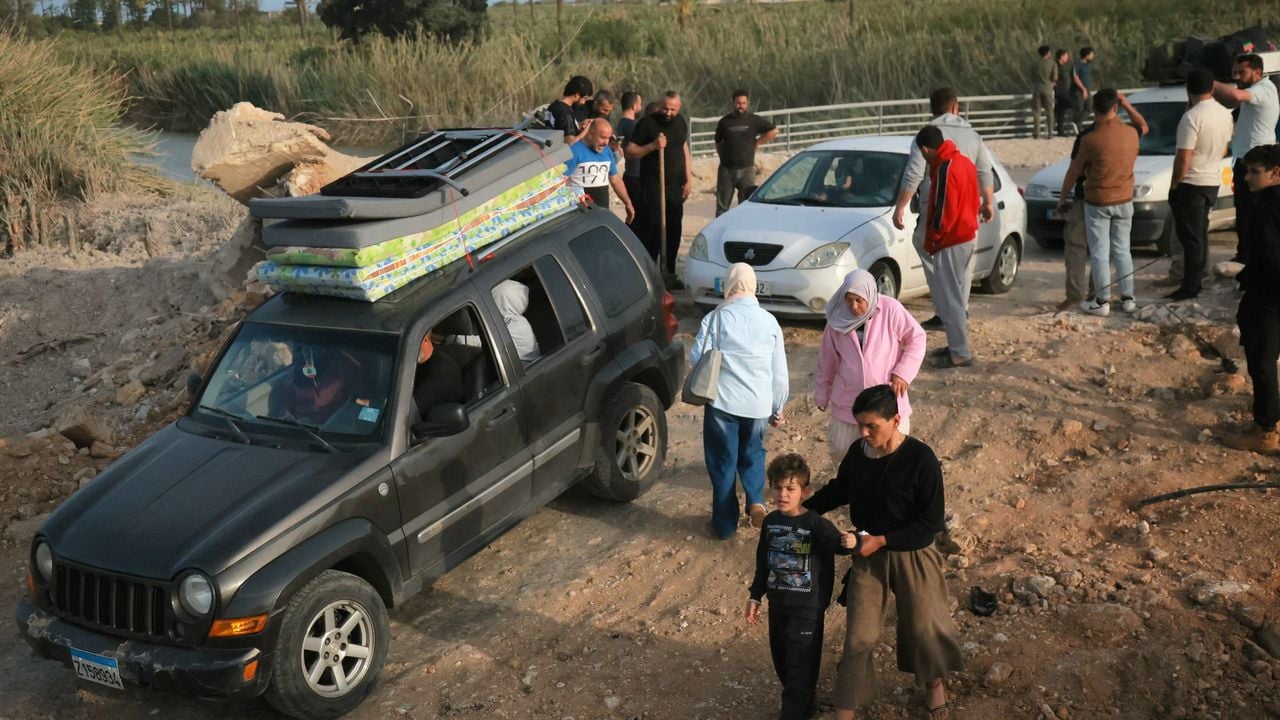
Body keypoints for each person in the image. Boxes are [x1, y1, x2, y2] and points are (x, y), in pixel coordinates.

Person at [804, 385, 963, 720]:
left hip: (914, 554)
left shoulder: (921, 459)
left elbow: (930, 523)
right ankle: (844, 711)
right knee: (858, 638)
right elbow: (841, 489)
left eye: (871, 426)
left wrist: (884, 539)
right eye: (859, 425)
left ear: (896, 419)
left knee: (924, 627)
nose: (863, 433)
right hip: (867, 555)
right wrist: (803, 510)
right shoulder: (859, 453)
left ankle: (934, 689)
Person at [746, 454, 852, 720]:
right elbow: (763, 562)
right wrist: (755, 596)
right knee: (783, 664)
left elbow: (839, 546)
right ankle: (806, 706)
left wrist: (852, 541)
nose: (783, 494)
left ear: (805, 492)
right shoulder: (770, 522)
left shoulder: (816, 524)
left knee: (800, 671)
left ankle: (794, 712)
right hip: (778, 607)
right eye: (778, 487)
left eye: (790, 488)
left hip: (807, 611)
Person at [690, 263, 788, 539]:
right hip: (757, 405)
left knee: (723, 462)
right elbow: (779, 373)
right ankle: (755, 499)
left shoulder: (715, 319)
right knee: (753, 452)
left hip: (723, 402)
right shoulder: (770, 322)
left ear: (729, 285)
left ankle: (724, 525)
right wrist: (777, 407)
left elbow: (697, 358)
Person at [892, 87, 995, 330]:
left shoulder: (927, 135)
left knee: (929, 250)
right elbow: (984, 171)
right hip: (968, 207)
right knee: (963, 261)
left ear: (932, 109)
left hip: (936, 206)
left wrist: (900, 207)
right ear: (955, 108)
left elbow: (914, 174)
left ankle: (946, 310)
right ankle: (960, 309)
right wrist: (988, 202)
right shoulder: (974, 135)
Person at [815, 269, 926, 467]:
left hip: (886, 398)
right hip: (848, 401)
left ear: (869, 294)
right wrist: (822, 393)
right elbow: (827, 360)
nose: (853, 306)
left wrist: (903, 373)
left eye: (859, 300)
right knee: (843, 452)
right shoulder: (837, 320)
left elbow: (916, 338)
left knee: (890, 456)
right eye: (849, 300)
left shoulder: (890, 309)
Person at [1055, 91, 1147, 310]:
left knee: (1093, 251)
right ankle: (1128, 298)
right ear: (1115, 107)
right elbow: (1143, 126)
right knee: (1122, 250)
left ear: (1093, 109)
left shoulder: (1088, 138)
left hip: (1094, 200)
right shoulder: (1131, 133)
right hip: (1124, 199)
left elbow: (1073, 171)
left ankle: (1098, 300)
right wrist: (1127, 104)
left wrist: (1062, 197)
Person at [1222, 145, 1280, 455]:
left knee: (1262, 360)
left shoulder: (1265, 205)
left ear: (1276, 173)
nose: (1246, 178)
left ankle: (1265, 431)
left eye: (1254, 171)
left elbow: (1270, 255)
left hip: (1268, 294)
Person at [1163, 69, 1233, 301]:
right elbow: (1224, 148)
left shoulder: (1191, 117)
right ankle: (1198, 280)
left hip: (1192, 182)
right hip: (1212, 180)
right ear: (1212, 88)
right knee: (1200, 234)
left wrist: (1175, 184)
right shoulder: (1225, 114)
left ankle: (1190, 286)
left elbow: (1184, 156)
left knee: (1190, 239)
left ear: (1188, 90)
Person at [915, 125, 981, 368]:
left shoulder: (944, 168)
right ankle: (957, 346)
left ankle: (960, 352)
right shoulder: (963, 162)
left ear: (925, 149)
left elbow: (941, 212)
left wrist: (932, 239)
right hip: (966, 235)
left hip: (951, 239)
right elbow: (973, 200)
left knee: (949, 298)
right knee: (955, 296)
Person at [1212, 54, 1280, 265]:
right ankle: (1246, 254)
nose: (1237, 76)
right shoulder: (1253, 91)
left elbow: (1234, 95)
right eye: (1235, 72)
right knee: (1244, 211)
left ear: (1258, 72)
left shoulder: (1263, 90)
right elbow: (1230, 99)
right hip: (1246, 161)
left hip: (1259, 163)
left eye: (1242, 72)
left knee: (1254, 213)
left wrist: (1209, 82)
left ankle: (1253, 257)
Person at [627, 91, 693, 281]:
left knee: (674, 229)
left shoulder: (680, 122)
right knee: (656, 228)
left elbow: (683, 149)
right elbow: (630, 151)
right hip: (654, 184)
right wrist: (653, 146)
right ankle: (650, 273)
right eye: (665, 108)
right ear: (660, 104)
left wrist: (688, 178)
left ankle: (669, 271)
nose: (668, 112)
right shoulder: (647, 123)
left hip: (675, 185)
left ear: (678, 108)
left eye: (672, 109)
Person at [714, 89, 778, 216]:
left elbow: (774, 131)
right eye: (738, 103)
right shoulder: (724, 122)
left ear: (747, 103)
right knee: (722, 208)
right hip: (726, 170)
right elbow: (718, 142)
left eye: (743, 103)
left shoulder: (754, 120)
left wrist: (758, 143)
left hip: (747, 169)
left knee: (746, 206)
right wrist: (724, 157)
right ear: (733, 103)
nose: (741, 106)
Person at [564, 118, 636, 223]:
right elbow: (562, 180)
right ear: (591, 134)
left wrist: (628, 203)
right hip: (580, 213)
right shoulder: (575, 151)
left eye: (608, 138)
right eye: (602, 138)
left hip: (602, 211)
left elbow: (615, 180)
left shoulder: (607, 152)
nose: (606, 142)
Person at [283, 346, 364, 424]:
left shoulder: (346, 365)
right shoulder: (296, 368)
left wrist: (363, 426)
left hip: (333, 429)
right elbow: (288, 408)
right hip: (299, 428)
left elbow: (367, 404)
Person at [413, 333, 464, 419]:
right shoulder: (419, 362)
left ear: (425, 340)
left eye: (412, 344)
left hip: (442, 424)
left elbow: (413, 408)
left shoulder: (441, 371)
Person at [491, 280, 542, 365]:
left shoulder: (517, 325)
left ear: (503, 301)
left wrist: (462, 340)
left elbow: (492, 341)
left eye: (494, 300)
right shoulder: (512, 321)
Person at [617, 91, 644, 229]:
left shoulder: (621, 124)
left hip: (630, 175)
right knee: (638, 219)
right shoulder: (633, 126)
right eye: (640, 104)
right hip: (636, 176)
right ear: (634, 106)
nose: (641, 107)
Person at [542, 75, 594, 146]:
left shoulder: (554, 106)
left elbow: (560, 126)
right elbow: (571, 143)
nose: (583, 102)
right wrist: (587, 129)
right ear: (576, 94)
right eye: (584, 98)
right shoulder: (566, 113)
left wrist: (580, 124)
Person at [1030, 44, 1058, 140]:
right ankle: (1050, 133)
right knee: (1049, 111)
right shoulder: (1052, 63)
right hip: (1048, 88)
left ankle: (1036, 133)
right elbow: (1055, 77)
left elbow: (1032, 78)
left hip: (1037, 88)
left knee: (1036, 112)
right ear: (1048, 53)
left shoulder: (1035, 64)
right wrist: (1052, 83)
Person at [1071, 46, 1096, 132]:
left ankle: (1078, 123)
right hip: (1078, 90)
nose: (1093, 56)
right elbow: (1075, 77)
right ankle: (1077, 126)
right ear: (1087, 55)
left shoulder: (1088, 65)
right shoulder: (1077, 64)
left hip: (1087, 89)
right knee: (1079, 108)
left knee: (1089, 107)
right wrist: (1083, 89)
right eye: (1091, 54)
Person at [1053, 49, 1074, 136]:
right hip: (1059, 91)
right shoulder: (1056, 66)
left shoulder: (1062, 66)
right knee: (1070, 104)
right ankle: (1060, 128)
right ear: (1061, 56)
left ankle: (1060, 130)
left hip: (1064, 90)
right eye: (1066, 56)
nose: (1067, 58)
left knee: (1061, 110)